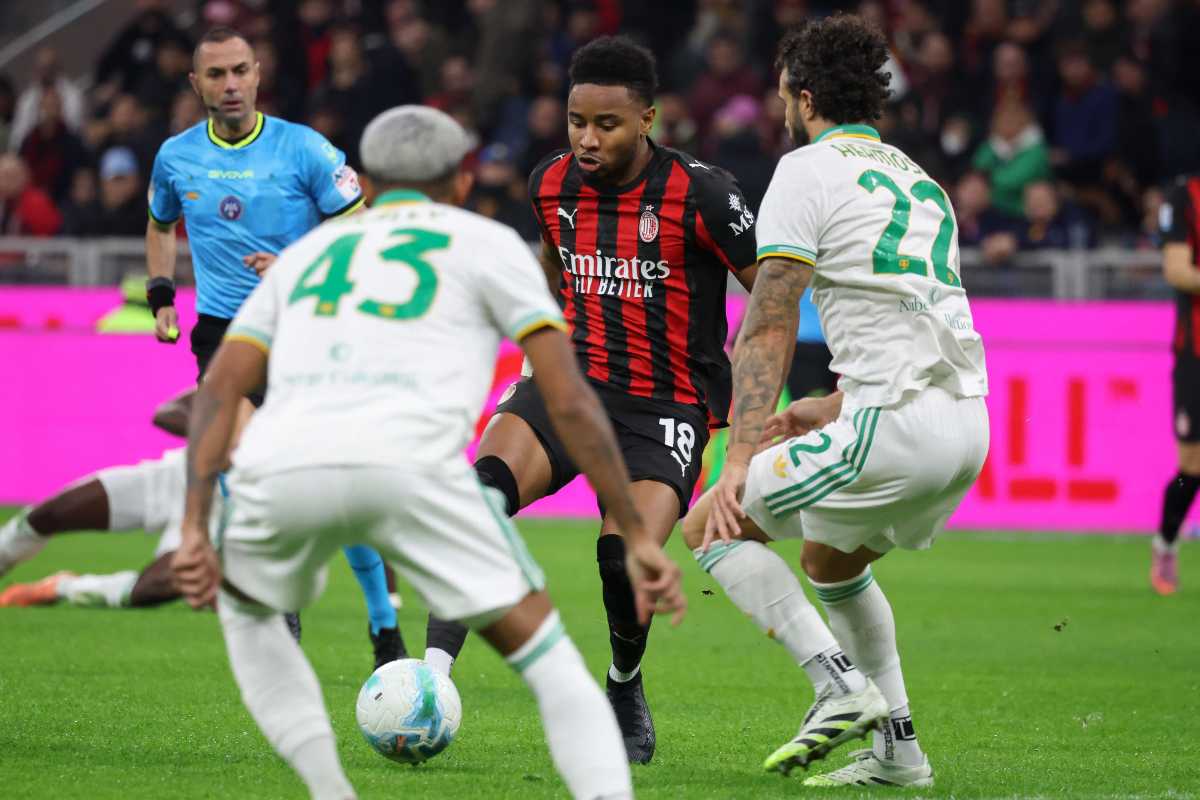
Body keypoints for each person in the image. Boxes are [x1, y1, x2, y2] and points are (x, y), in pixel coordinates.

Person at [170, 105, 685, 800]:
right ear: (464, 182)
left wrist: (197, 527)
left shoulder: (307, 256)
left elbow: (220, 393)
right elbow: (569, 400)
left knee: (270, 625)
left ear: (366, 186)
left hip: (288, 472)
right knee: (554, 673)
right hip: (412, 475)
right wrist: (630, 518)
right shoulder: (489, 246)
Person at [420, 35, 759, 763]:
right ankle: (430, 680)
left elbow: (773, 294)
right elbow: (550, 264)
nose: (587, 138)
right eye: (577, 121)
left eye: (606, 124)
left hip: (667, 405)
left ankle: (624, 683)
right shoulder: (550, 185)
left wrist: (755, 399)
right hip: (572, 383)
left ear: (648, 120)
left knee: (620, 560)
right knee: (478, 500)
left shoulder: (704, 192)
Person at [681, 15, 988, 786]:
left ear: (804, 96)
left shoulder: (805, 171)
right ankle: (900, 754)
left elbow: (770, 317)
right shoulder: (924, 183)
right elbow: (912, 311)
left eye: (785, 94)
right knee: (830, 560)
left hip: (892, 426)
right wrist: (827, 405)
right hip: (965, 423)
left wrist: (738, 460)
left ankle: (838, 686)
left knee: (710, 525)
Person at [143, 27, 396, 658]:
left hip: (306, 325)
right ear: (195, 84)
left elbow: (359, 231)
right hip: (226, 333)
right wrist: (160, 295)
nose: (229, 85)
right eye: (215, 75)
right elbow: (158, 223)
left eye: (239, 72)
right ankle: (279, 600)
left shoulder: (304, 149)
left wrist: (299, 264)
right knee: (238, 461)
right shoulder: (176, 156)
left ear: (258, 75)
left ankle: (381, 621)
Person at [0, 390, 408, 668]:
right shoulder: (244, 369)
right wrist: (224, 435)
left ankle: (63, 587)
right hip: (182, 477)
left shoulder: (324, 414)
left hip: (226, 518)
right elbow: (167, 412)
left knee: (151, 590)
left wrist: (384, 614)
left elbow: (355, 518)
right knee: (52, 513)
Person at [1154, 172, 1200, 595]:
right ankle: (1166, 543)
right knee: (1193, 466)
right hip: (1196, 352)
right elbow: (1178, 270)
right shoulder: (1185, 195)